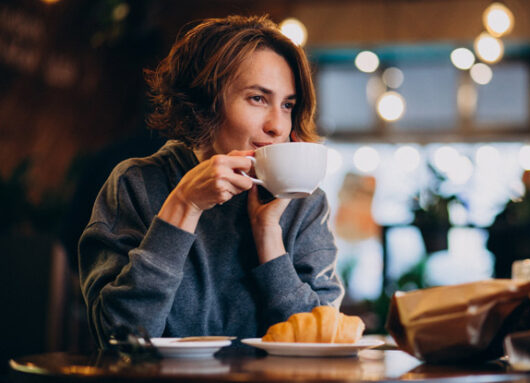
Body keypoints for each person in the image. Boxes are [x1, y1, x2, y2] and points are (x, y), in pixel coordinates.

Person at [78, 15, 344, 348]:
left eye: (288, 104)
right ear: (204, 104)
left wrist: (269, 239)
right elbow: (120, 338)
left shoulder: (303, 202)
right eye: (257, 98)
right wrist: (183, 206)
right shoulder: (138, 183)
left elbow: (323, 341)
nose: (278, 125)